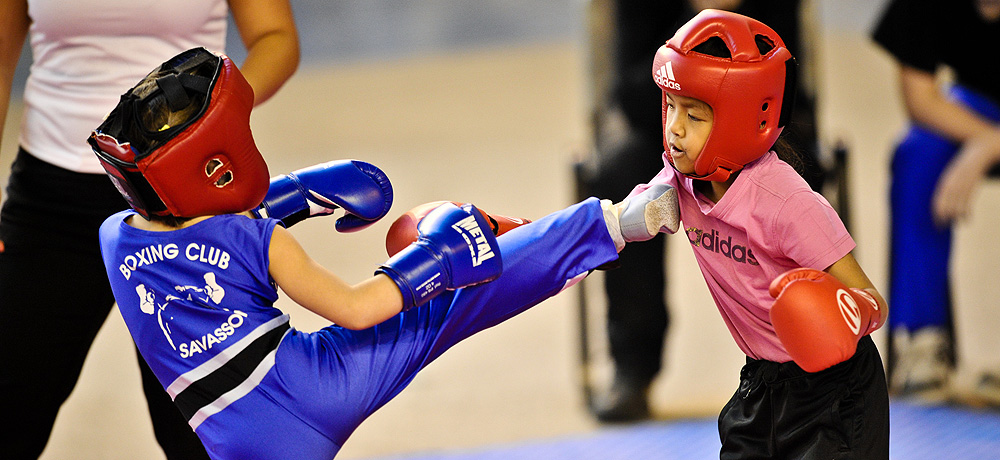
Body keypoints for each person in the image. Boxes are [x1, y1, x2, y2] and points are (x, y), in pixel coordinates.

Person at [91, 47, 678, 460]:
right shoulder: (260, 240)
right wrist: (438, 259)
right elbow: (357, 309)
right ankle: (623, 221)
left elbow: (196, 236)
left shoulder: (114, 239)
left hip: (231, 440)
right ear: (218, 164)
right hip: (313, 388)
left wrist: (294, 196)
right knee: (451, 304)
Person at [0, 1, 298, 458]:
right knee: (11, 406)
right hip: (50, 198)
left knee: (200, 433)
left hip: (190, 202)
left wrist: (202, 122)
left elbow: (276, 39)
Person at [626, 10, 889, 458]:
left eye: (695, 114)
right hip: (761, 383)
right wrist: (535, 240)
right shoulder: (679, 182)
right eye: (671, 105)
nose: (674, 128)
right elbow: (615, 227)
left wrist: (840, 313)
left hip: (836, 392)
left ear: (743, 118)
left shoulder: (787, 204)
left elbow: (872, 301)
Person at [578, 0, 824, 422]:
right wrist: (699, 24)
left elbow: (792, 92)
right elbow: (632, 97)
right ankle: (632, 366)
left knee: (797, 170)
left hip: (762, 129)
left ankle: (806, 357)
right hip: (666, 129)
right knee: (622, 170)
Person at [872, 0, 1000, 400]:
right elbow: (922, 99)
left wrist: (991, 145)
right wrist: (988, 139)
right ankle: (922, 345)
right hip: (982, 105)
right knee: (919, 152)